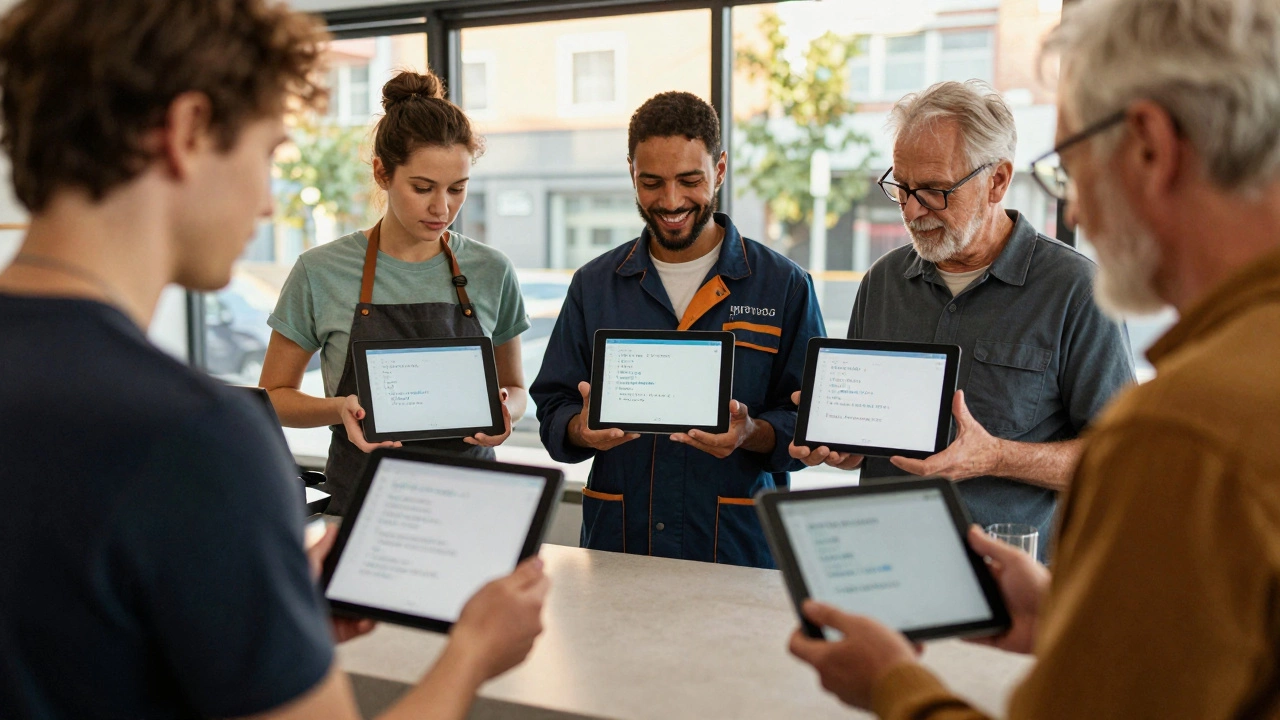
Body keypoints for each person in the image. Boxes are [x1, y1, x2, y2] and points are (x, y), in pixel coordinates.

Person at [0, 2, 547, 718]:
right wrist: (472, 651)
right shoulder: (200, 442)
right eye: (266, 152)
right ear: (188, 133)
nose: (265, 203)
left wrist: (267, 616)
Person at [788, 0, 1280, 716]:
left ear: (1148, 147)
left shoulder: (1183, 432)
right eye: (904, 190)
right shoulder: (882, 283)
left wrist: (894, 686)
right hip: (908, 587)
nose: (1076, 201)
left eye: (1071, 165)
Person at [791, 80, 1133, 560]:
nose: (911, 210)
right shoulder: (882, 283)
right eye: (902, 187)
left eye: (933, 191)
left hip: (1009, 591)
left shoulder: (1076, 290)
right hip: (883, 569)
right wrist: (843, 445)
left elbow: (1124, 463)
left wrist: (997, 456)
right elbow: (867, 445)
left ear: (997, 181)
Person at [530, 91, 825, 568]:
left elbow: (810, 422)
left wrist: (751, 432)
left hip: (739, 551)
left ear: (721, 169)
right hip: (619, 548)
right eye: (652, 182)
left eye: (690, 180)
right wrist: (581, 430)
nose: (671, 201)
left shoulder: (784, 286)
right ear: (631, 173)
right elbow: (552, 409)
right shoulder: (594, 285)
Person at [260, 69, 530, 516]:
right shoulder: (321, 271)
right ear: (382, 173)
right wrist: (338, 408)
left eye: (457, 189)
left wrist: (507, 410)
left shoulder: (491, 269)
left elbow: (515, 387)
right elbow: (273, 395)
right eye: (422, 188)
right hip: (361, 505)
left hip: (473, 505)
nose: (442, 208)